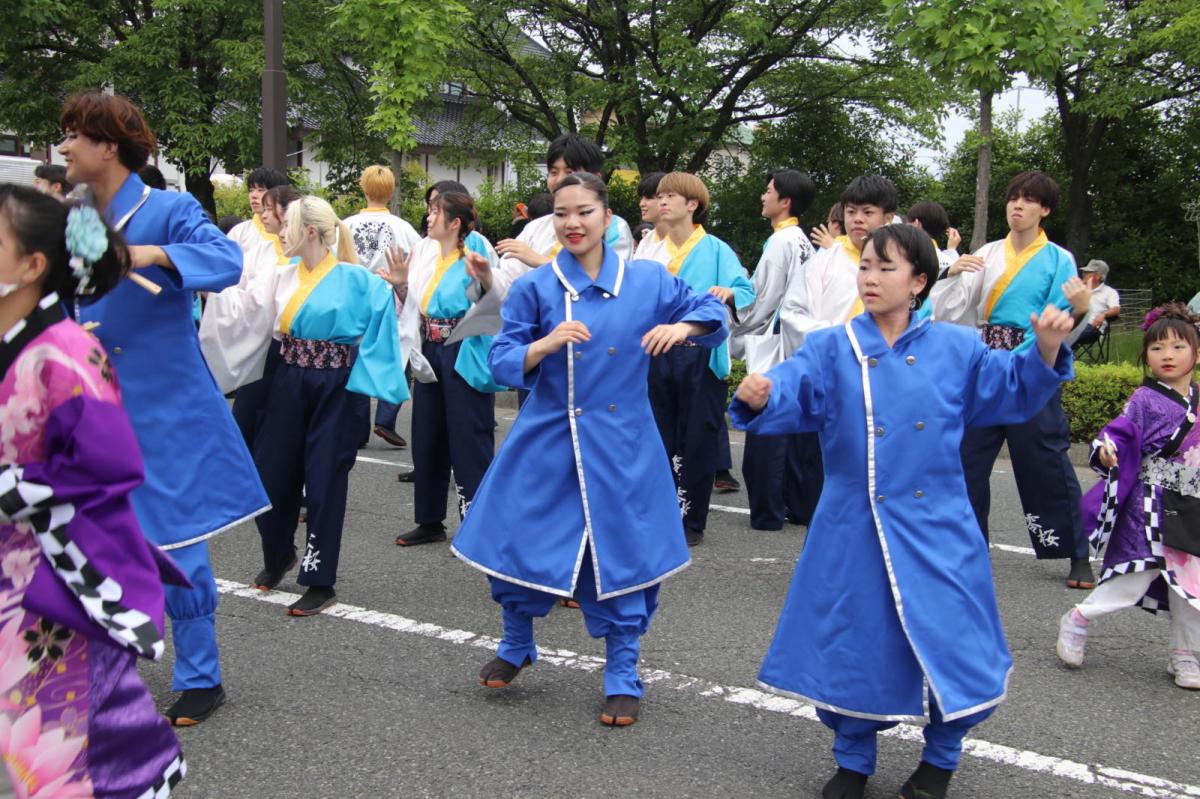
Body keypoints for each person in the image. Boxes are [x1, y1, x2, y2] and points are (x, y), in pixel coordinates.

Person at [731, 224, 1076, 799]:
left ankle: (941, 758)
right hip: (850, 524)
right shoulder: (831, 346)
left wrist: (1043, 348)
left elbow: (1014, 389)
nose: (869, 277)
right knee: (852, 640)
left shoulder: (958, 346)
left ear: (919, 281)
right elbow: (791, 390)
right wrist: (760, 395)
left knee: (952, 639)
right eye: (864, 266)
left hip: (939, 523)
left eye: (886, 268)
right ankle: (852, 759)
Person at [450, 172, 728, 726]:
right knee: (514, 541)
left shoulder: (648, 281)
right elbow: (500, 360)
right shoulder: (535, 286)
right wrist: (544, 344)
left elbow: (715, 316)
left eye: (583, 212)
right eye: (561, 213)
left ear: (607, 217)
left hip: (623, 442)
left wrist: (686, 328)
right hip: (545, 437)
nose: (572, 223)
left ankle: (623, 671)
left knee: (622, 556)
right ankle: (517, 642)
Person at [59, 91, 268, 726]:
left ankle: (201, 674)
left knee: (177, 543)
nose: (62, 147)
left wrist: (149, 255)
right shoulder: (73, 218)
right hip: (87, 409)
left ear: (108, 145)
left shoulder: (171, 209)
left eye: (72, 134)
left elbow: (228, 262)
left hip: (164, 408)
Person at [0, 184, 188, 796]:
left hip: (44, 577)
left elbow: (107, 467)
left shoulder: (66, 351)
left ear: (32, 266)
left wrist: (12, 489)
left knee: (58, 750)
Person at [200, 196, 408, 615]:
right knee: (272, 475)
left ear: (310, 232)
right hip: (288, 378)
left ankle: (320, 578)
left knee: (326, 480)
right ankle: (278, 554)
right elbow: (241, 310)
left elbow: (391, 322)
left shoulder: (359, 280)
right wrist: (207, 286)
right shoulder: (279, 276)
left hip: (338, 386)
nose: (280, 232)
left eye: (287, 225)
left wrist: (399, 287)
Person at [929, 170, 1096, 588]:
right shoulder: (986, 252)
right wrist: (950, 274)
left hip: (1031, 369)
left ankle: (1077, 554)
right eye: (1012, 198)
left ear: (1045, 209)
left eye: (1028, 200)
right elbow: (955, 313)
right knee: (966, 461)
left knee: (1048, 462)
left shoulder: (1059, 259)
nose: (1017, 206)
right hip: (984, 368)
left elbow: (1057, 319)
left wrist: (1026, 362)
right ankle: (969, 546)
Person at [1056, 304, 1200, 689]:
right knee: (1136, 574)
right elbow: (1118, 431)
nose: (1166, 355)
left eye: (1177, 347)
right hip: (1149, 502)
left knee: (1190, 586)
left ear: (1196, 352)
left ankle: (1184, 655)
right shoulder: (1145, 399)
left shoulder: (1198, 399)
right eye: (1156, 348)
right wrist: (1106, 448)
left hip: (1190, 503)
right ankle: (1079, 619)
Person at [773, 176, 900, 526]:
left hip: (885, 371)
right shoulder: (823, 261)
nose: (857, 219)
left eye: (868, 212)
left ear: (888, 218)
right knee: (823, 450)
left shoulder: (903, 260)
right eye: (851, 211)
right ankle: (815, 514)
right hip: (836, 367)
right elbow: (793, 313)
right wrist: (836, 341)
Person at [642, 172, 754, 545]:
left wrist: (730, 291)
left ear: (693, 205)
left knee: (697, 438)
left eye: (670, 195)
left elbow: (745, 289)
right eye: (659, 196)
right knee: (658, 436)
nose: (661, 202)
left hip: (701, 354)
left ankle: (691, 519)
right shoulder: (648, 248)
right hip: (655, 352)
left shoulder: (717, 249)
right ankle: (659, 514)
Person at [385, 192, 503, 547]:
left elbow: (494, 299)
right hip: (431, 348)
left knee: (469, 438)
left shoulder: (474, 254)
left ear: (455, 223)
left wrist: (485, 280)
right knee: (428, 433)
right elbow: (416, 306)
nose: (428, 217)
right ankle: (430, 520)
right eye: (429, 210)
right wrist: (401, 284)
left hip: (463, 348)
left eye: (436, 212)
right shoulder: (424, 250)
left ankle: (477, 524)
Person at [731, 169, 817, 531]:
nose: (762, 197)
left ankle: (767, 510)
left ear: (786, 201)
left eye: (769, 191)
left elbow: (762, 298)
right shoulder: (802, 241)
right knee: (796, 428)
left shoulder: (782, 242)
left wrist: (732, 309)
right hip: (797, 339)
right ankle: (797, 504)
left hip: (776, 335)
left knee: (766, 423)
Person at [492, 134, 634, 294]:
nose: (560, 180)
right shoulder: (534, 228)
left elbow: (609, 282)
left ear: (595, 178)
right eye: (553, 172)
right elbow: (507, 285)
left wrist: (539, 261)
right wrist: (483, 276)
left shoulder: (614, 227)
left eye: (570, 172)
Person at [343, 165, 421, 448]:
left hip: (356, 297)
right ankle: (385, 418)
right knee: (398, 355)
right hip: (390, 297)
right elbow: (418, 263)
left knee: (353, 359)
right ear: (391, 191)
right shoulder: (404, 229)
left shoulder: (346, 225)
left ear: (364, 189)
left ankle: (355, 427)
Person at [1070, 259, 1120, 349]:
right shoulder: (1078, 289)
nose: (1083, 274)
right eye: (1084, 272)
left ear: (1098, 276)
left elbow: (1116, 309)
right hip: (1073, 323)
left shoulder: (1109, 292)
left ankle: (1064, 357)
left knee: (1066, 334)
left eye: (1087, 272)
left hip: (1092, 328)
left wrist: (1103, 314)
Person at [906, 200, 961, 272]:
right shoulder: (950, 262)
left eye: (907, 222)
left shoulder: (907, 259)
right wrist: (952, 249)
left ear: (917, 224)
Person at [633, 171, 667, 261]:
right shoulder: (647, 238)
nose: (641, 204)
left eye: (648, 198)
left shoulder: (682, 242)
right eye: (641, 198)